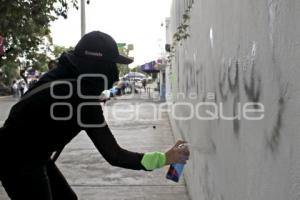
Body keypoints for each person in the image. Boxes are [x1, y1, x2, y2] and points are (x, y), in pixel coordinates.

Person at [0, 31, 189, 200]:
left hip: (28, 153)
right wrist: (165, 158)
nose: (115, 72)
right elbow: (115, 155)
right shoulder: (82, 98)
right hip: (18, 161)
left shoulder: (60, 77)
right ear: (98, 67)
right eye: (112, 65)